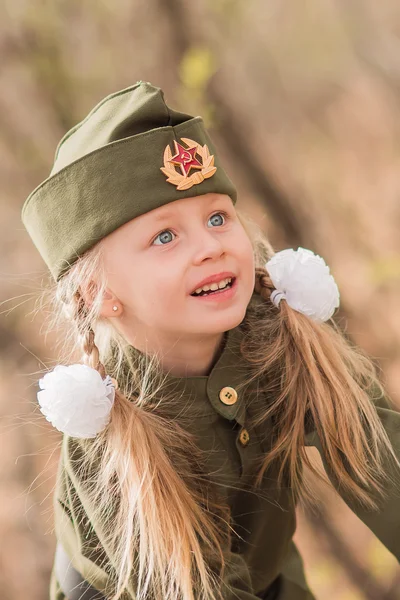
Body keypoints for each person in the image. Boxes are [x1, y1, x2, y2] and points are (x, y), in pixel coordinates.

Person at [21, 81, 400, 600]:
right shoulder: (108, 449)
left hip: (268, 579)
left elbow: (385, 462)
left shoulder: (289, 337)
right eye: (165, 236)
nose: (210, 248)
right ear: (99, 293)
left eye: (218, 218)